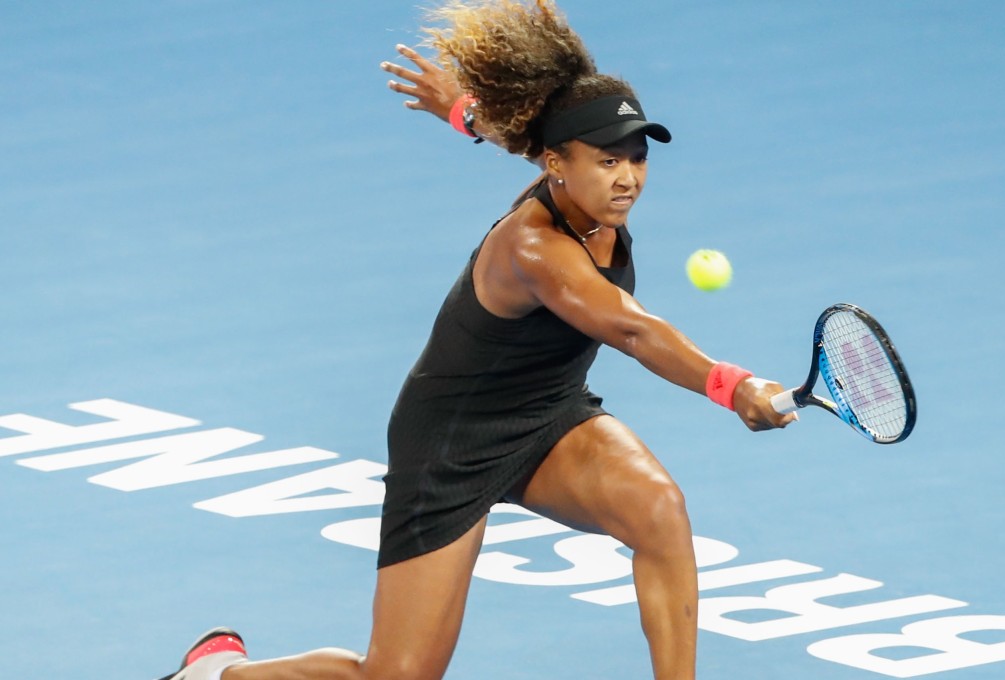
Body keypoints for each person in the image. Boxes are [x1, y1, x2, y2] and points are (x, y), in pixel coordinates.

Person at [157, 2, 796, 679]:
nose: (628, 178)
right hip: (450, 444)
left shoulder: (577, 187)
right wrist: (732, 384)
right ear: (558, 165)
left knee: (659, 511)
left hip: (550, 417)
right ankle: (215, 676)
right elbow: (631, 327)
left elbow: (531, 140)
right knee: (398, 676)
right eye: (609, 161)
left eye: (637, 159)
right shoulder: (534, 247)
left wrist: (464, 115)